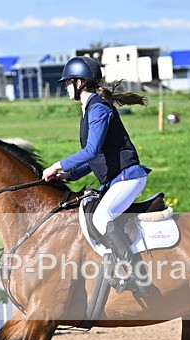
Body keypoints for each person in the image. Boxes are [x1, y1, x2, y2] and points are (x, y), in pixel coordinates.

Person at [41, 56, 151, 297]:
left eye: (68, 82)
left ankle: (135, 275)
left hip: (128, 177)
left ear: (80, 82)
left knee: (102, 217)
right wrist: (68, 174)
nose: (65, 87)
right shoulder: (90, 109)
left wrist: (56, 165)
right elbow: (96, 159)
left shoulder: (98, 108)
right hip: (116, 180)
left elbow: (90, 151)